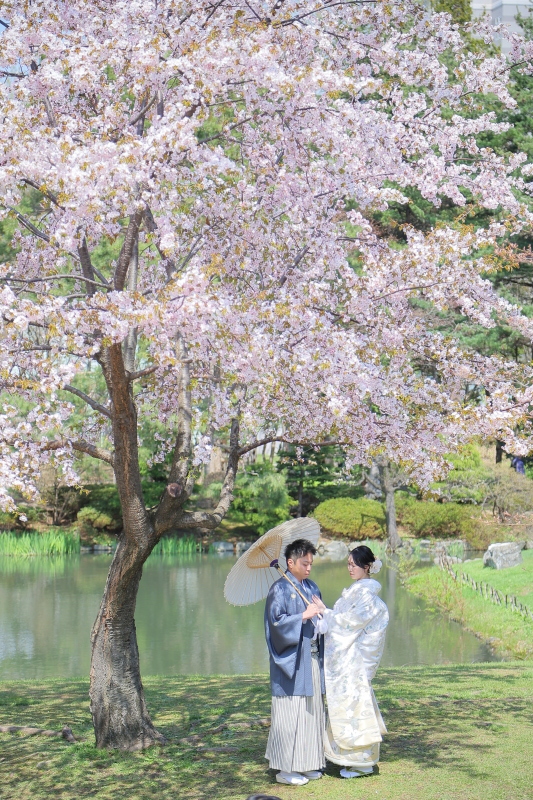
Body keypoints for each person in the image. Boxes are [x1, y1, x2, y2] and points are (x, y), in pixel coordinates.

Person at [312, 545, 389, 779]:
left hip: (354, 661)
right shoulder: (357, 592)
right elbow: (343, 620)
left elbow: (348, 624)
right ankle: (348, 757)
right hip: (348, 658)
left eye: (353, 564)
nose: (350, 568)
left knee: (355, 707)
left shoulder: (366, 596)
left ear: (367, 567)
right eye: (348, 564)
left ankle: (363, 762)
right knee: (348, 707)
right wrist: (327, 613)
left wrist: (326, 613)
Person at [264, 538, 325, 786]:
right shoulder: (278, 589)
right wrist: (302, 616)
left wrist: (322, 613)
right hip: (291, 661)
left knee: (311, 710)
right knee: (291, 713)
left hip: (311, 659)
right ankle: (285, 769)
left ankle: (307, 763)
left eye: (311, 563)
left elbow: (322, 624)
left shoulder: (311, 587)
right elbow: (275, 625)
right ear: (289, 563)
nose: (309, 568)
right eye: (304, 563)